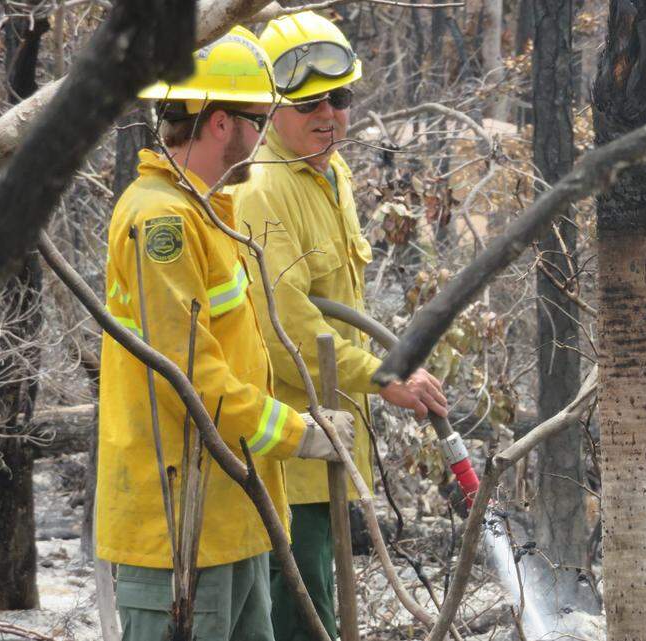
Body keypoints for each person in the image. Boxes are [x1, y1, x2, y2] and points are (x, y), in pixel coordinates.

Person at [97, 26, 356, 641]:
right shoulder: (161, 220)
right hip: (178, 534)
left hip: (234, 521)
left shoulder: (210, 213)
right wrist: (299, 432)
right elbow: (190, 381)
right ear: (220, 124)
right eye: (260, 120)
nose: (264, 136)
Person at [233, 12, 448, 640]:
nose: (329, 115)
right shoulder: (262, 190)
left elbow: (338, 305)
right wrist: (382, 376)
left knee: (318, 602)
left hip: (331, 438)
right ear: (270, 106)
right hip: (286, 451)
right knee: (301, 615)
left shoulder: (332, 170)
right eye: (309, 104)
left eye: (341, 98)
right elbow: (285, 326)